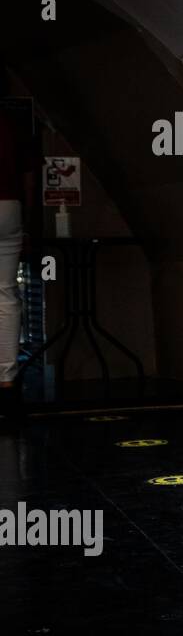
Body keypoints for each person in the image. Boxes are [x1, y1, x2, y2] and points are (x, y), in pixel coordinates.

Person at [0, 106, 36, 417]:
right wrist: (29, 220)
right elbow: (28, 173)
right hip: (9, 206)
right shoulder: (12, 119)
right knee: (7, 293)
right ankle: (7, 380)